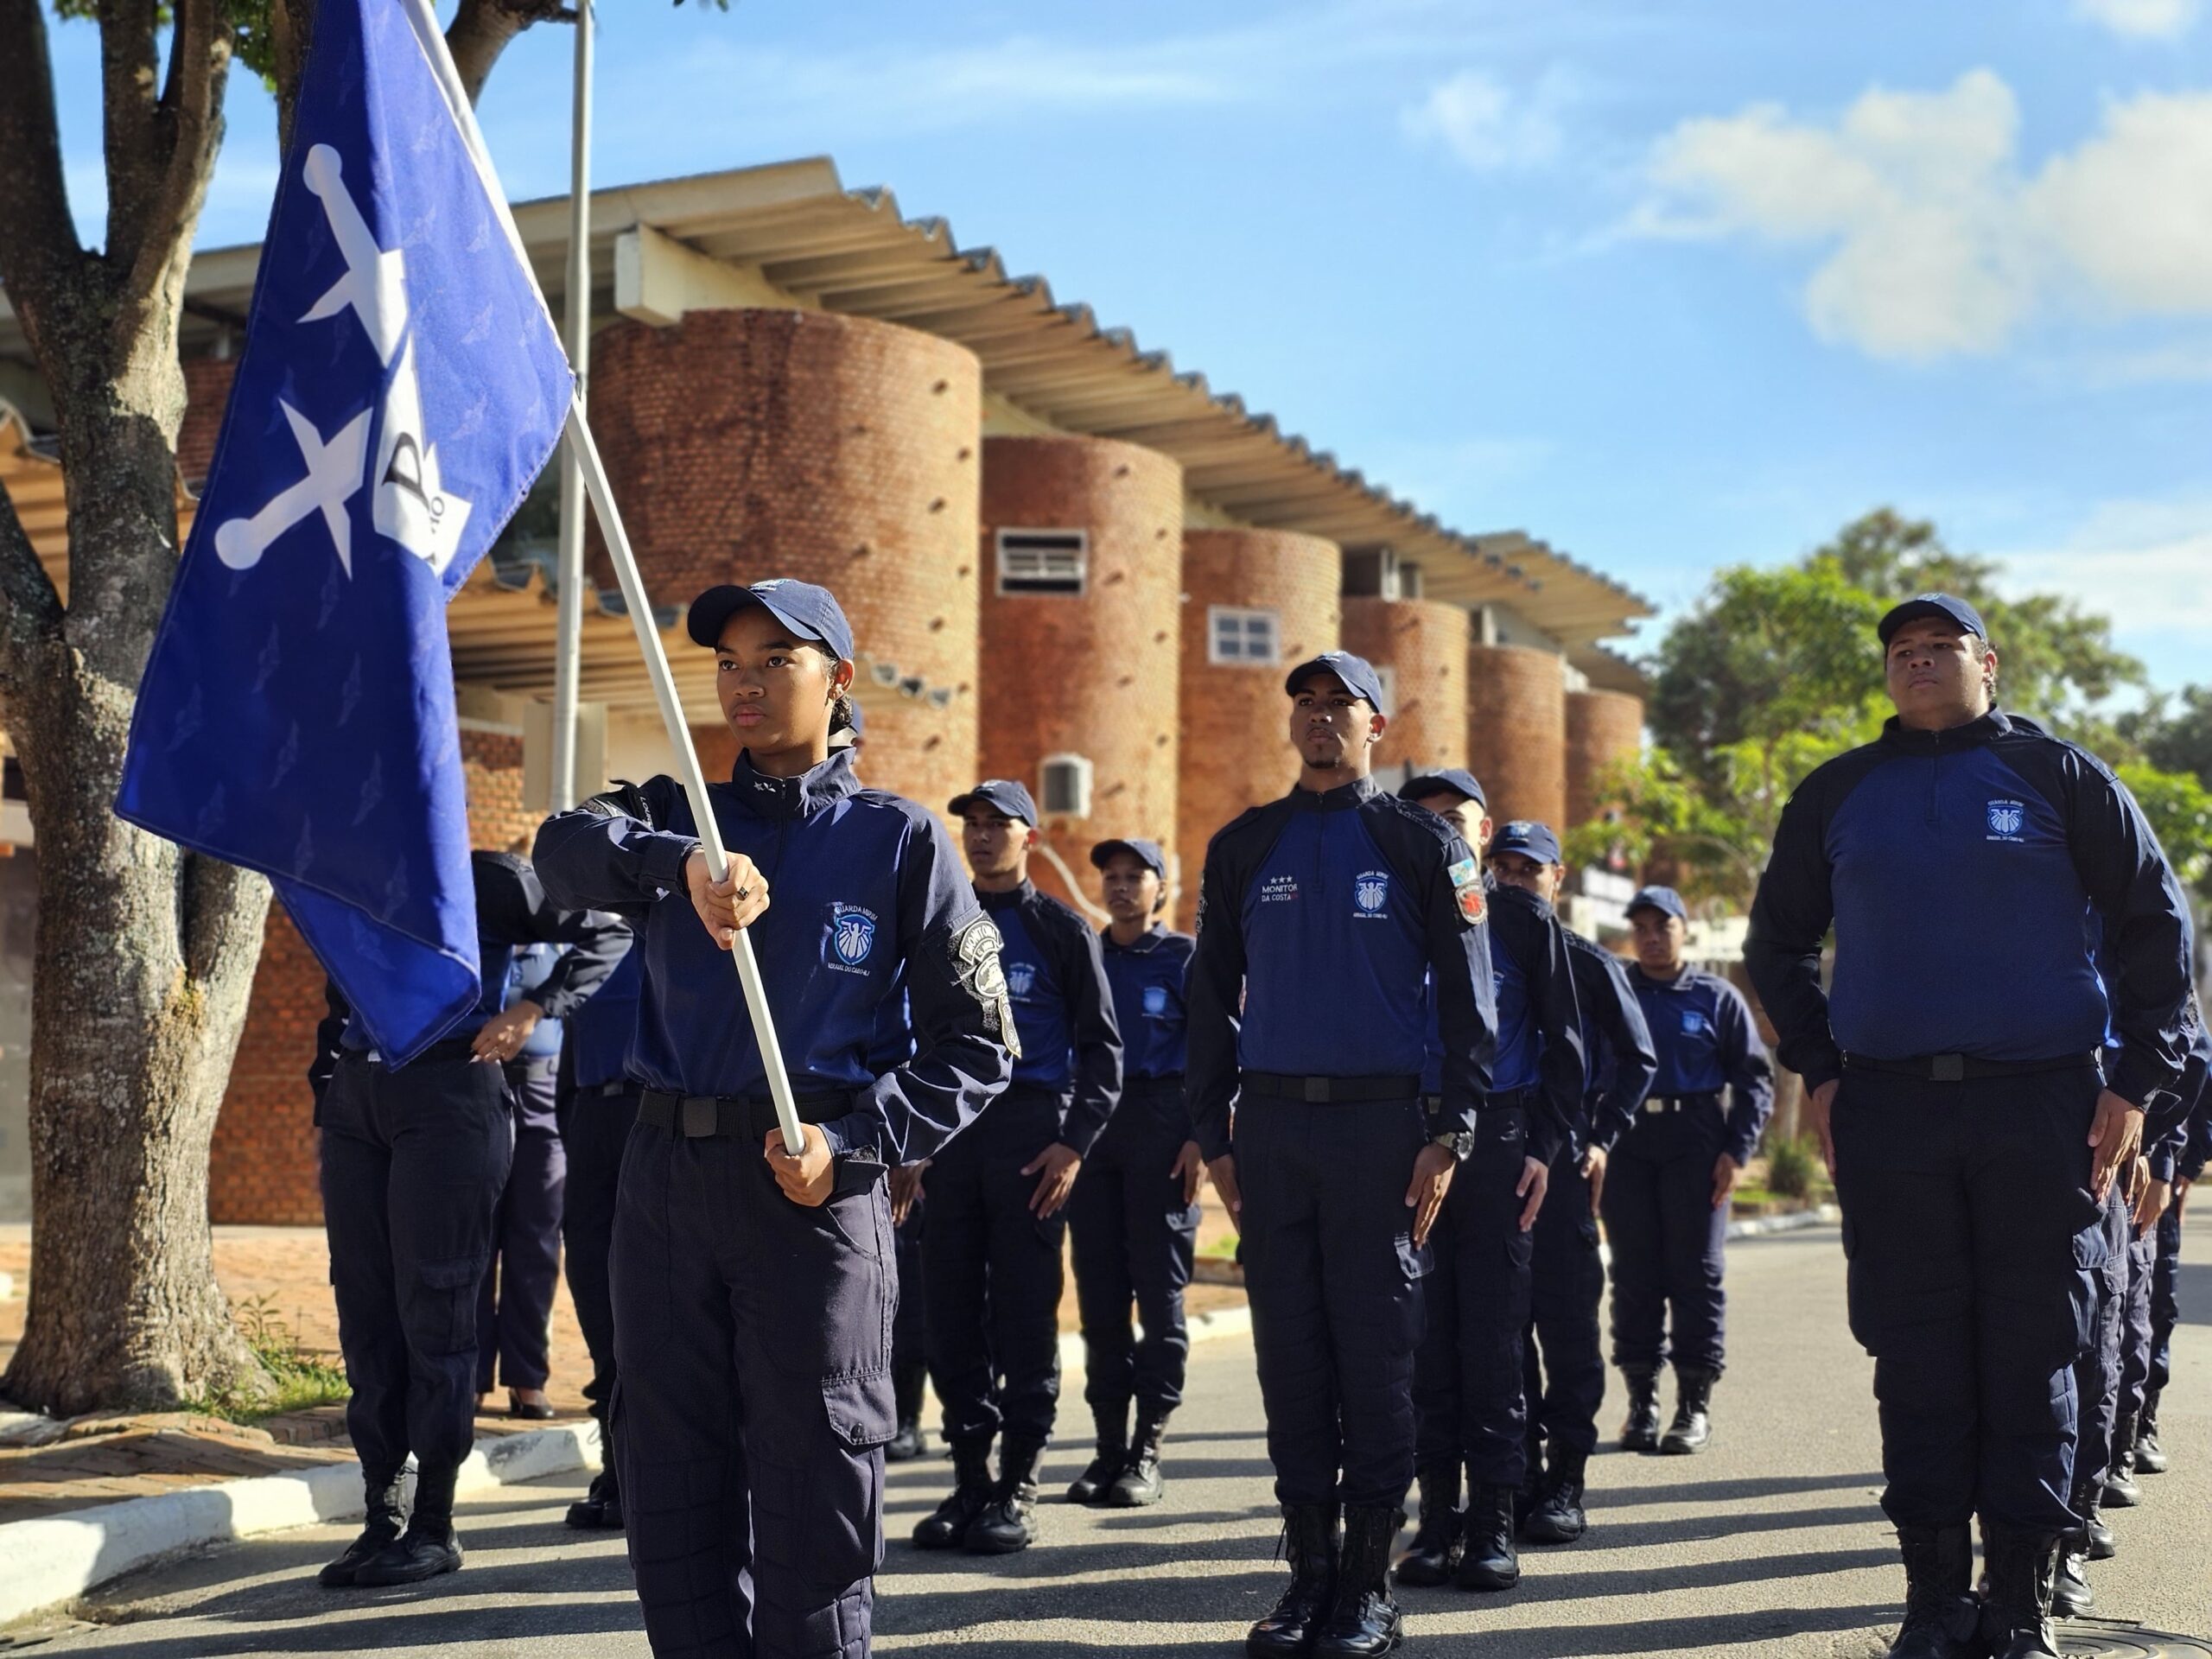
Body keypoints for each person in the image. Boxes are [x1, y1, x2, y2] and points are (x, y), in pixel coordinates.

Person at [534, 577, 1014, 1657]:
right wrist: (681, 865)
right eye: (728, 665)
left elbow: (979, 1046)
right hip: (663, 1184)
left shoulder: (899, 842)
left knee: (815, 1476)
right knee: (671, 1475)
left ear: (838, 681)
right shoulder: (675, 816)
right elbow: (560, 849)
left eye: (774, 662)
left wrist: (855, 1146)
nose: (744, 685)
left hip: (811, 1192)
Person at [1746, 592, 2197, 1659]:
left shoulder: (2059, 776)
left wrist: (2134, 1086)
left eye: (1938, 648)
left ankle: (2021, 1601)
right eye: (1900, 652)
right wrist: (1819, 1070)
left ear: (1985, 663)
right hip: (1890, 1107)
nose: (1917, 664)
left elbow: (2153, 928)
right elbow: (1776, 946)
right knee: (1916, 1353)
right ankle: (1933, 1597)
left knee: (2036, 1345)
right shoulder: (1838, 791)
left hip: (2042, 1102)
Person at [1186, 651, 1498, 1658]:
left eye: (1342, 706)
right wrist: (1213, 1138)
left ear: (1377, 725)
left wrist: (1449, 1133)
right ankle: (1308, 1581)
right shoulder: (1245, 844)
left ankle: (1368, 1589)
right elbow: (1206, 1003)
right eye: (1307, 705)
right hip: (1272, 1133)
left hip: (1381, 1135)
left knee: (1374, 1358)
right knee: (1291, 1360)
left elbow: (1468, 1002)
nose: (1321, 720)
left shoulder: (1423, 843)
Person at [311, 850, 628, 1590]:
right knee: (366, 1311)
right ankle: (380, 1516)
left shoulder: (486, 877)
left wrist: (533, 1007)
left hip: (451, 1092)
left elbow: (607, 932)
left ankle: (434, 1524)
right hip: (361, 1099)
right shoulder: (346, 871)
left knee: (437, 1307)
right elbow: (338, 989)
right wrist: (330, 1083)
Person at [907, 778, 1123, 1555]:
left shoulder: (1062, 930)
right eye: (972, 823)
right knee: (950, 1314)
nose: (983, 835)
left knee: (1027, 1315)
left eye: (1000, 825)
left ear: (1030, 838)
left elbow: (1103, 1049)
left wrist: (1074, 1144)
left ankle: (1017, 1485)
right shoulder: (937, 920)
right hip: (949, 1138)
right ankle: (969, 1482)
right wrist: (911, 1145)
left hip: (1032, 1141)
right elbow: (910, 1035)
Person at [1393, 781, 1583, 1596]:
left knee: (1495, 1341)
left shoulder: (1520, 918)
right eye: (1424, 820)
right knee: (1422, 1340)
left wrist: (1544, 1146)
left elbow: (1566, 1046)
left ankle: (1493, 1522)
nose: (1441, 832)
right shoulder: (1387, 919)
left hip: (1501, 1140)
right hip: (1406, 1139)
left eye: (1455, 820)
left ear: (1485, 831)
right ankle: (1435, 1522)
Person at [1487, 819, 1657, 1545]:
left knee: (1565, 1327)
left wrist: (1600, 1140)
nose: (1518, 882)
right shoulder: (1473, 950)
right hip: (1489, 1156)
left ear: (1558, 880)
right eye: (1507, 869)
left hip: (1559, 1160)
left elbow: (1636, 1057)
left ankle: (1566, 1480)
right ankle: (1514, 1475)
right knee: (1500, 1329)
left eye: (1533, 872)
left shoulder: (1587, 963)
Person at [1607, 884, 1772, 1458]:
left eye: (1664, 926)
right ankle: (1642, 1403)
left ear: (1684, 930)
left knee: (1696, 1273)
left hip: (1696, 1139)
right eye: (1643, 928)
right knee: (1634, 1272)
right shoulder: (1614, 990)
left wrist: (1737, 1150)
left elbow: (1753, 1078)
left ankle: (1693, 1405)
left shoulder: (1715, 997)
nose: (1653, 938)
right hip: (1626, 1139)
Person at [1066, 836, 1203, 1509]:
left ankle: (1148, 1447)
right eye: (1111, 877)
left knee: (1160, 1298)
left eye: (1134, 877)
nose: (1120, 888)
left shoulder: (1183, 959)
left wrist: (1202, 1138)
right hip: (1094, 1130)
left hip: (1162, 1123)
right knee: (1100, 1300)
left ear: (1160, 888)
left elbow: (1218, 1052)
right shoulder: (1085, 952)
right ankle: (1107, 1447)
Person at [476, 914, 627, 1421]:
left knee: (537, 1239)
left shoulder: (567, 949)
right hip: (482, 1090)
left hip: (544, 1095)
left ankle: (526, 1378)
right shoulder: (482, 944)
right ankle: (472, 1378)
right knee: (478, 1236)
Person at [555, 936, 642, 1530]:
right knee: (594, 1290)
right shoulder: (589, 944)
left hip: (655, 1117)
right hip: (593, 1117)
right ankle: (618, 1468)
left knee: (654, 1301)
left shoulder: (679, 930)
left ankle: (651, 1473)